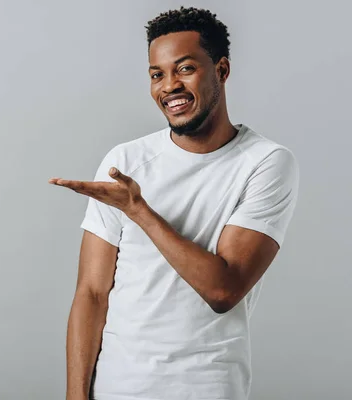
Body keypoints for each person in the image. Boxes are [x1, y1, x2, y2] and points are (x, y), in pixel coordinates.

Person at [48, 6, 300, 400]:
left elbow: (223, 290)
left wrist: (139, 212)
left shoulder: (266, 163)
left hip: (207, 387)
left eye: (185, 69)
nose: (169, 86)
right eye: (157, 74)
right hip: (117, 387)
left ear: (222, 70)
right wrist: (76, 396)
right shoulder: (125, 162)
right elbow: (92, 293)